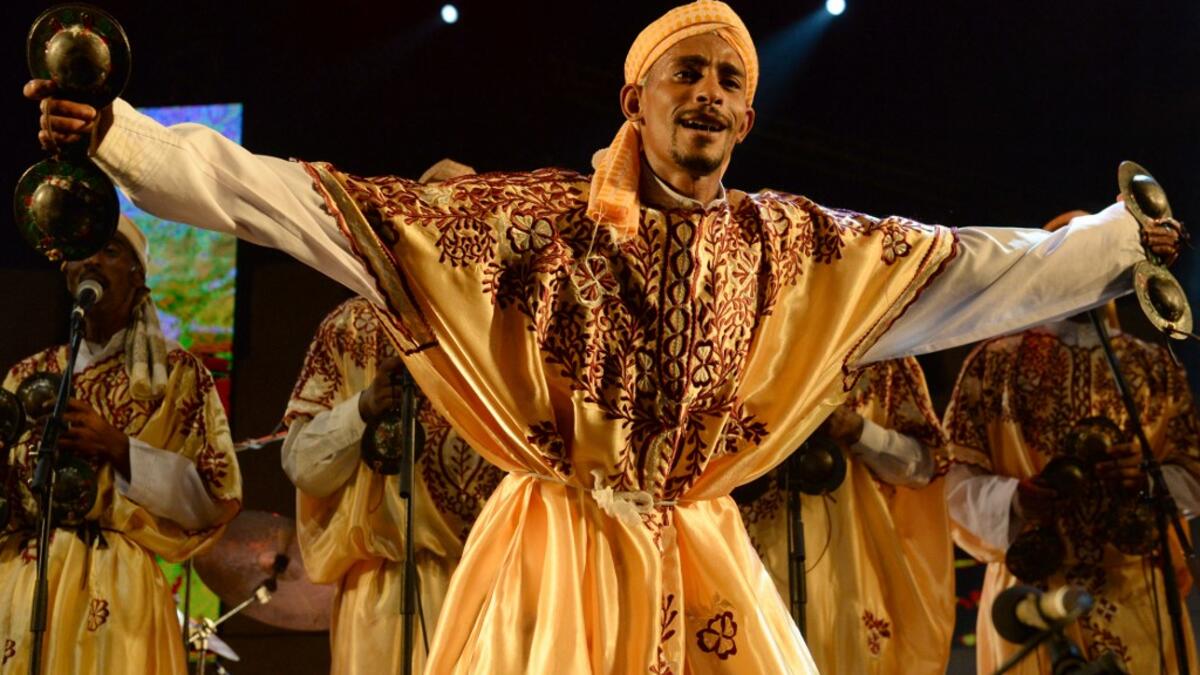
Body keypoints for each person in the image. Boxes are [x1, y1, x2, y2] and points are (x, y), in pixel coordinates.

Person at [26, 1, 1184, 670]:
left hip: (702, 543)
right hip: (555, 548)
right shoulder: (526, 225)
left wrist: (1112, 245)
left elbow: (967, 262)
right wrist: (124, 141)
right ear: (637, 97)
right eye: (690, 71)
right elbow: (303, 201)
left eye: (734, 78)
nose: (715, 93)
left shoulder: (792, 247)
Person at [943, 214, 1200, 674]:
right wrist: (1015, 498)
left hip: (1136, 588)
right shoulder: (994, 362)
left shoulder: (1153, 366)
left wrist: (1144, 479)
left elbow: (1192, 470)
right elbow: (951, 477)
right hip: (1031, 596)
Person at [282, 154, 503, 675]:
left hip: (491, 580)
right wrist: (363, 408)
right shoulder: (351, 326)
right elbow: (302, 463)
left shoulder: (510, 333)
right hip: (383, 586)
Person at [0, 217, 242, 674]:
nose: (92, 259)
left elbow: (214, 496)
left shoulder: (178, 374)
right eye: (84, 249)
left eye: (110, 250)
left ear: (137, 275)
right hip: (26, 582)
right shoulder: (27, 375)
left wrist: (120, 447)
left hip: (117, 585)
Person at [737, 357, 954, 674]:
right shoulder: (755, 344)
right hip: (753, 555)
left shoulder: (882, 355)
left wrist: (859, 430)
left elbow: (925, 465)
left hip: (850, 567)